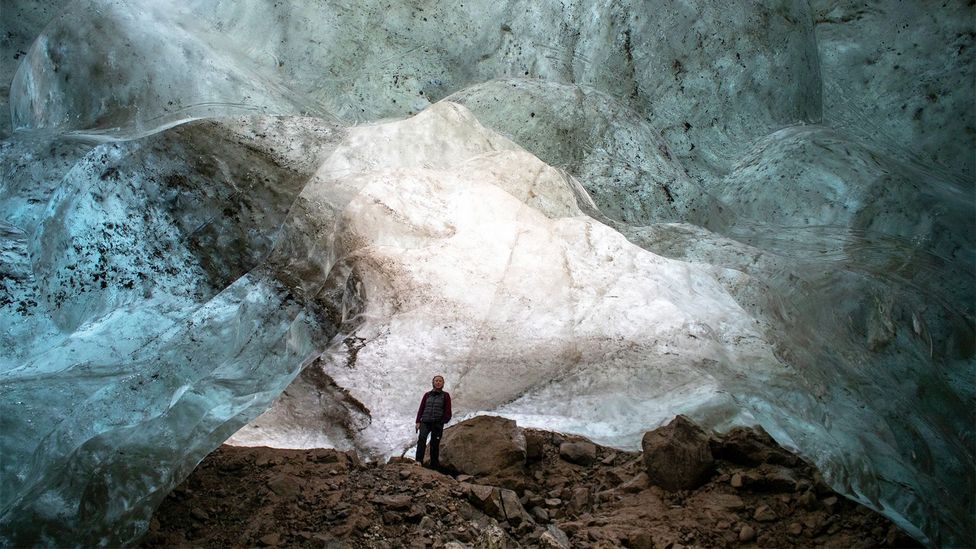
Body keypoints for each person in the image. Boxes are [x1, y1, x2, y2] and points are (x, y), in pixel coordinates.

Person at [415, 375, 452, 468]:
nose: (438, 382)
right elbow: (421, 408)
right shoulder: (427, 395)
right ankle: (418, 461)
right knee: (422, 439)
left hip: (437, 423)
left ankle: (434, 465)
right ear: (433, 382)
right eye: (436, 381)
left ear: (443, 383)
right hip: (425, 421)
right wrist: (418, 421)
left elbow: (448, 410)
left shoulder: (445, 395)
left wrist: (443, 421)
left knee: (435, 443)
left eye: (440, 381)